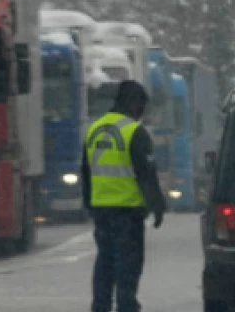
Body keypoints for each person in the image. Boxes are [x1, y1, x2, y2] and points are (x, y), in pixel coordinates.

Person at [81, 80, 167, 312]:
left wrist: (89, 203)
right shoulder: (134, 132)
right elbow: (147, 174)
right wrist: (157, 206)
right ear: (132, 102)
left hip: (101, 209)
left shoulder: (94, 129)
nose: (141, 113)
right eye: (141, 106)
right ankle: (127, 307)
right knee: (128, 264)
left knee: (105, 262)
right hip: (128, 211)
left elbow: (86, 172)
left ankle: (100, 307)